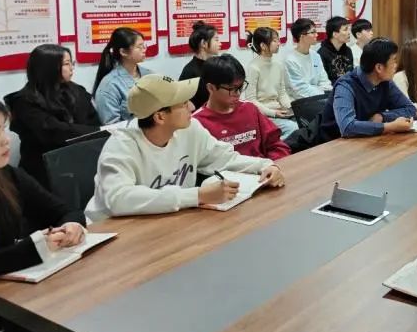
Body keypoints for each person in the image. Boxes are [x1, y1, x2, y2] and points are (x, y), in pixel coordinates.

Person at [85, 74, 284, 223]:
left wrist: (265, 165)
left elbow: (224, 158)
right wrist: (197, 195)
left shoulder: (189, 129)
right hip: (115, 230)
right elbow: (118, 199)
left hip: (168, 221)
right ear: (160, 116)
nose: (191, 107)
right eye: (182, 104)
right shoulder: (121, 145)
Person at [0, 97, 87, 332]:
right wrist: (33, 249)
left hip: (12, 303)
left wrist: (72, 225)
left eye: (4, 130)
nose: (6, 140)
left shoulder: (6, 176)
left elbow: (63, 210)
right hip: (3, 309)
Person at [5, 44, 101, 188]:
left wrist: (98, 131)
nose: (72, 68)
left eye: (72, 63)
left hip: (81, 163)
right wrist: (95, 131)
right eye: (66, 64)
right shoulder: (24, 101)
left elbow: (94, 122)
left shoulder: (77, 91)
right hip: (44, 171)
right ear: (49, 68)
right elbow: (53, 131)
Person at [193, 55, 291, 161]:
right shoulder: (197, 123)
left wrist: (273, 164)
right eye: (232, 89)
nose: (238, 94)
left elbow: (276, 145)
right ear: (211, 88)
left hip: (264, 168)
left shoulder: (249, 109)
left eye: (240, 87)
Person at [318, 38, 417, 139]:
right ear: (379, 68)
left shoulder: (385, 81)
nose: (396, 65)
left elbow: (410, 109)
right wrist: (389, 126)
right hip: (334, 142)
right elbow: (347, 127)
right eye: (394, 61)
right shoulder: (345, 85)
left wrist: (382, 116)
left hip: (366, 139)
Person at [244, 26, 298, 136]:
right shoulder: (253, 67)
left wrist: (292, 108)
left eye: (278, 40)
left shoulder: (278, 65)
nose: (279, 43)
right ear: (263, 46)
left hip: (279, 111)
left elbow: (282, 94)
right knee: (293, 128)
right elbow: (251, 100)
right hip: (263, 115)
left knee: (305, 121)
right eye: (274, 41)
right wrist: (273, 113)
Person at [93, 27, 150, 124]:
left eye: (144, 45)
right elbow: (111, 126)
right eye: (139, 47)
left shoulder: (149, 75)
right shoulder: (109, 85)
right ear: (123, 52)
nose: (144, 50)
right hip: (129, 133)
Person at [284, 18, 332, 101]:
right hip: (301, 101)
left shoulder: (315, 55)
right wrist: (322, 92)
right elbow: (300, 89)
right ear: (302, 36)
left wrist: (327, 92)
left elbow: (324, 81)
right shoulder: (290, 60)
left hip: (321, 98)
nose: (316, 35)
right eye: (313, 32)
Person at [179, 20, 221, 110]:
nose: (220, 43)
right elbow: (182, 103)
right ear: (203, 43)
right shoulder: (189, 71)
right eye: (216, 40)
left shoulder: (215, 66)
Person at [318, 15, 354, 83]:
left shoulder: (348, 50)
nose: (349, 32)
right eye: (345, 29)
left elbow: (351, 73)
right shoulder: (322, 53)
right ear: (335, 34)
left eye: (349, 29)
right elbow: (324, 80)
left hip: (348, 86)